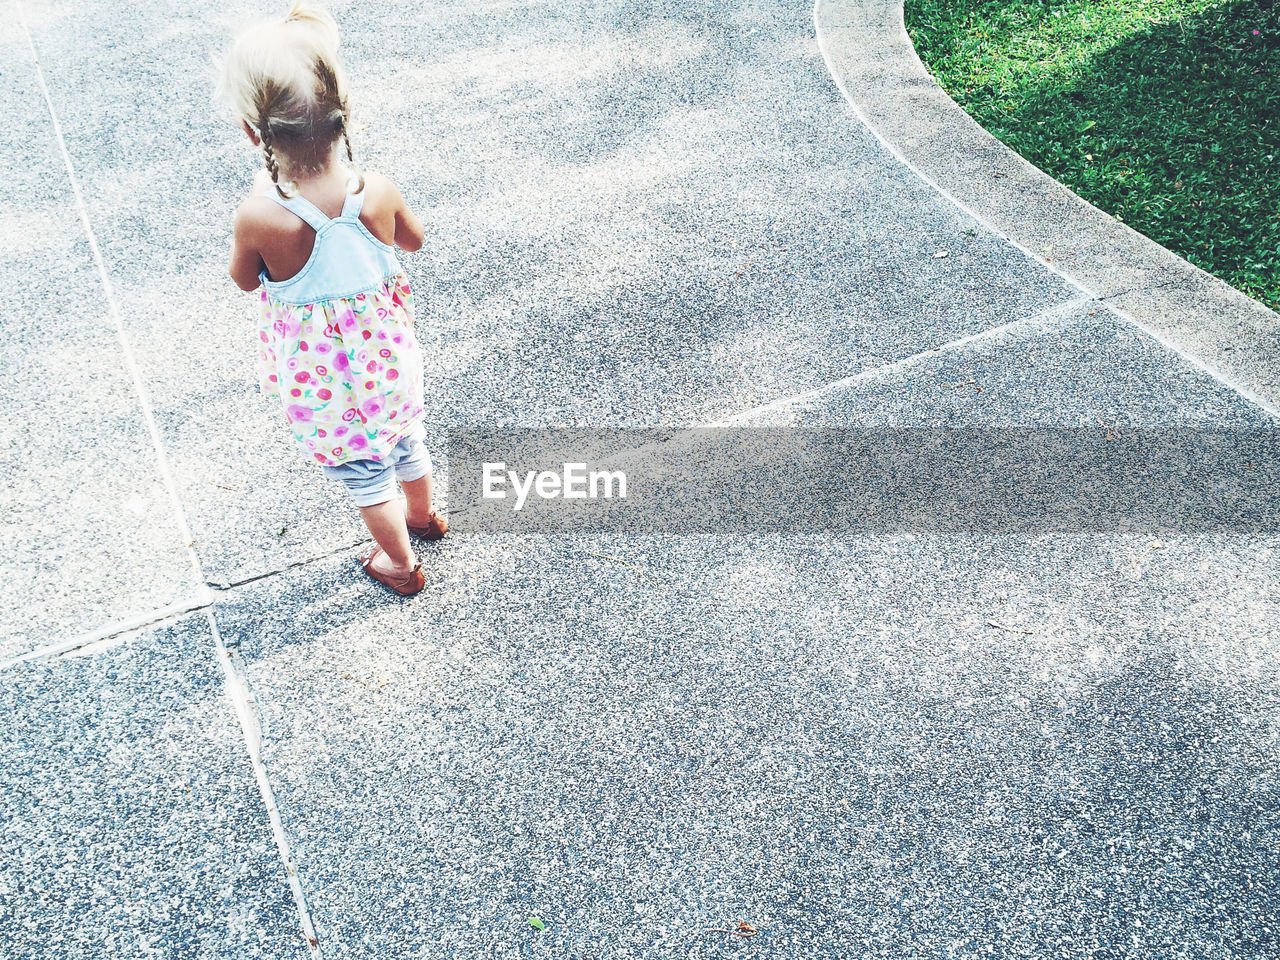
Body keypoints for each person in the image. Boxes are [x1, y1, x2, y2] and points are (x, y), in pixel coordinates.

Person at [219, 1, 445, 596]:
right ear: (345, 117)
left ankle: (398, 563)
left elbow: (245, 280)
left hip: (326, 379)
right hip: (391, 357)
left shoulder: (261, 217)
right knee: (405, 437)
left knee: (366, 473)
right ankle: (422, 516)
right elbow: (413, 241)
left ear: (254, 133)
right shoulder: (374, 190)